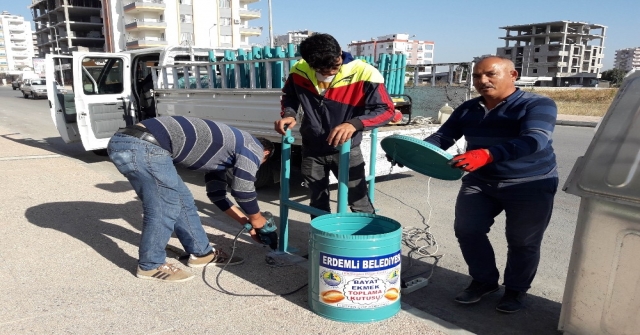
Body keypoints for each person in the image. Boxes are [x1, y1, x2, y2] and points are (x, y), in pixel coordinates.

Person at [424, 56, 558, 313]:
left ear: (513, 75)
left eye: (490, 74)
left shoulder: (537, 104)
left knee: (522, 241)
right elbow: (443, 136)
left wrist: (487, 154)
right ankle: (484, 281)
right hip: (481, 181)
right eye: (476, 76)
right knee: (468, 230)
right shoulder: (468, 108)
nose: (482, 81)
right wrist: (413, 152)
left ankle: (516, 290)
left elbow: (535, 140)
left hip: (530, 183)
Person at [107, 116, 274, 283]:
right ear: (266, 153)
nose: (256, 166)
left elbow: (217, 195)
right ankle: (150, 265)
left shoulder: (223, 155)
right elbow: (243, 189)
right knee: (165, 205)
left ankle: (202, 253)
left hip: (135, 143)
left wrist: (246, 221)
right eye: (261, 163)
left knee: (183, 200)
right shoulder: (253, 147)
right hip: (143, 145)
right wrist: (257, 219)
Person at [274, 33, 395, 216]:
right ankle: (323, 241)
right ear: (309, 63)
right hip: (312, 148)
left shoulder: (365, 72)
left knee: (358, 199)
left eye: (335, 66)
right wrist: (289, 114)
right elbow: (289, 96)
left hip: (347, 149)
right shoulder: (299, 70)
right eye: (324, 69)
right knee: (317, 200)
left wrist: (354, 124)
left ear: (340, 52)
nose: (331, 72)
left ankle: (364, 241)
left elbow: (386, 110)